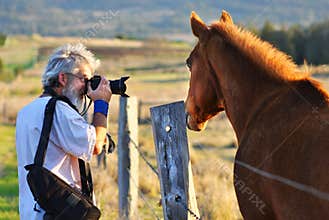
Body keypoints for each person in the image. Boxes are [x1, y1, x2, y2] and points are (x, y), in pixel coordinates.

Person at [15, 43, 112, 219]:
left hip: (33, 210)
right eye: (83, 78)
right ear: (62, 78)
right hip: (61, 212)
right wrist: (101, 103)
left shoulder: (26, 111)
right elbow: (96, 145)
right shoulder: (59, 110)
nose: (87, 87)